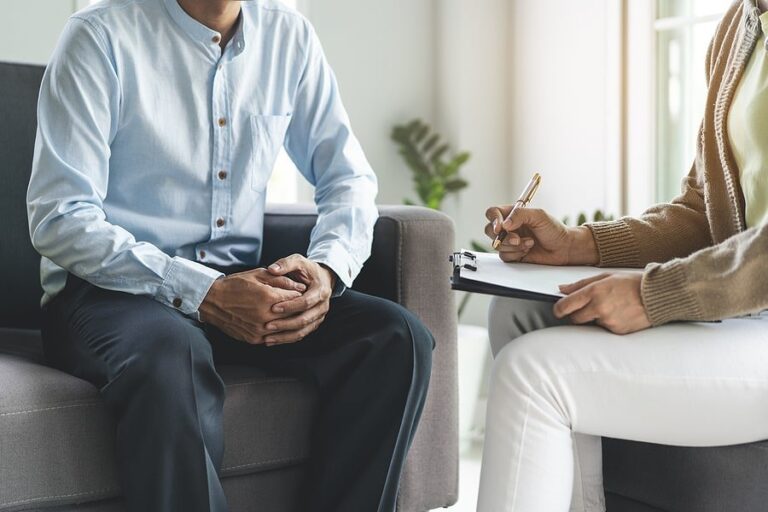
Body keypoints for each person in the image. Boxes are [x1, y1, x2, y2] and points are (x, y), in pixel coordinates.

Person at [26, 1, 434, 511]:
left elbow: (347, 179)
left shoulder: (290, 36)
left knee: (395, 338)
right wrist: (207, 292)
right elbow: (59, 216)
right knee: (171, 352)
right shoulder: (98, 36)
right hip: (111, 290)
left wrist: (327, 269)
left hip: (236, 281)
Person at [479, 0, 768, 510]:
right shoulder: (739, 26)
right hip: (745, 314)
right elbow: (703, 212)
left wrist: (654, 294)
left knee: (533, 372)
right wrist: (578, 245)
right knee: (518, 312)